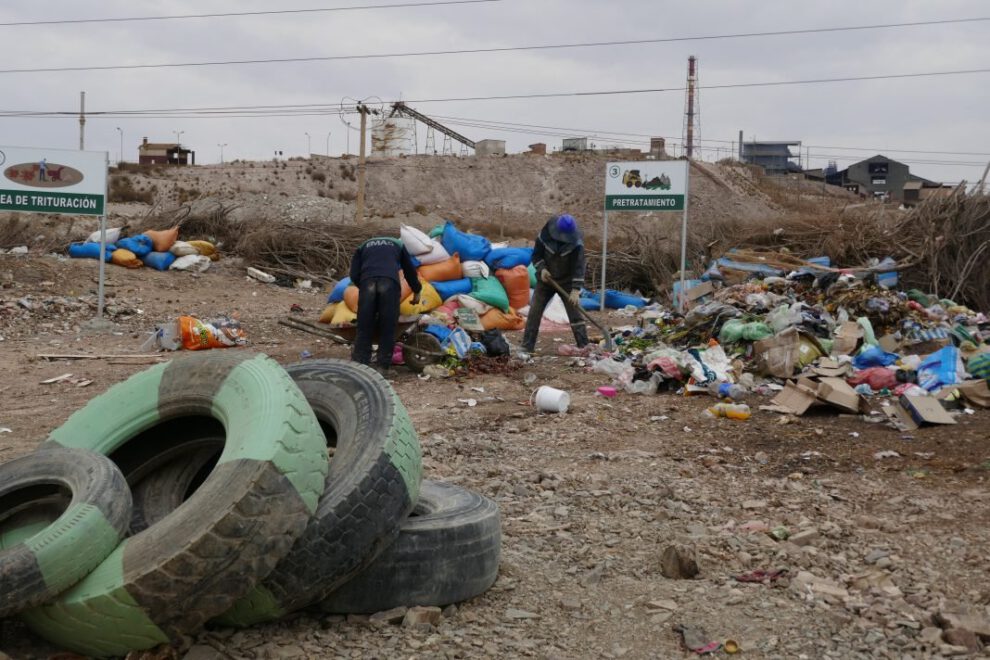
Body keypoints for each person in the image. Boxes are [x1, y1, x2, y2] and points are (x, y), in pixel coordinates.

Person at [349, 235, 422, 374]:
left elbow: (353, 274)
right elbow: (409, 271)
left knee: (364, 326)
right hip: (389, 283)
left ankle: (360, 365)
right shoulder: (398, 245)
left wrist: (364, 286)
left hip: (368, 282)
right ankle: (382, 367)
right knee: (388, 326)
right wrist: (417, 290)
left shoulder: (363, 246)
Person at [520, 214, 589, 355]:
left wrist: (575, 290)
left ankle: (584, 346)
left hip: (567, 282)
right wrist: (542, 269)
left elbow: (579, 267)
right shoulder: (544, 236)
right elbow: (536, 256)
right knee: (534, 312)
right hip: (546, 280)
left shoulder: (576, 244)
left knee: (575, 314)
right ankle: (527, 346)